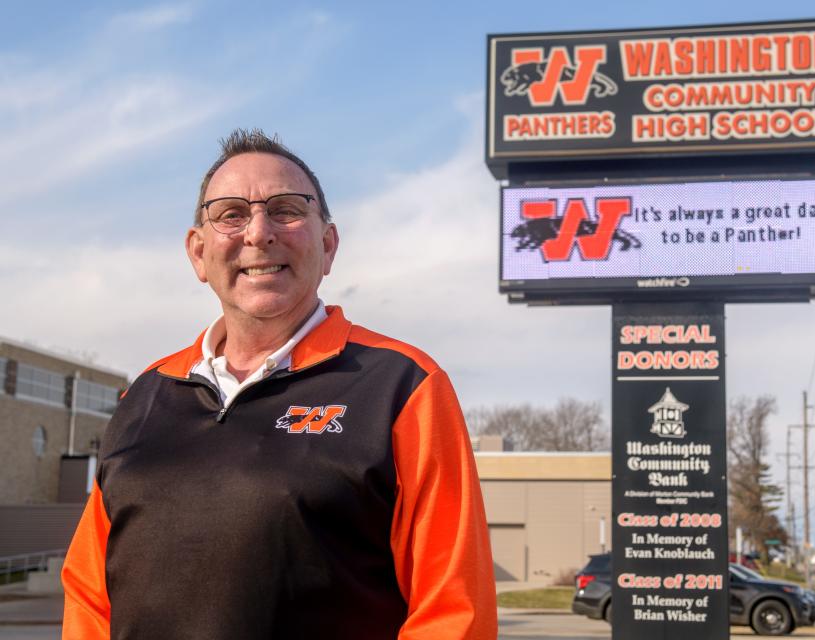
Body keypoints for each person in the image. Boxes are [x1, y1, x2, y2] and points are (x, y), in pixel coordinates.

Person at [61, 129, 497, 639]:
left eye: (286, 209)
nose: (259, 233)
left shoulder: (403, 386)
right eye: (231, 215)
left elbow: (453, 609)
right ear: (198, 253)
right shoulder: (145, 395)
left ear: (328, 244)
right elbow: (90, 596)